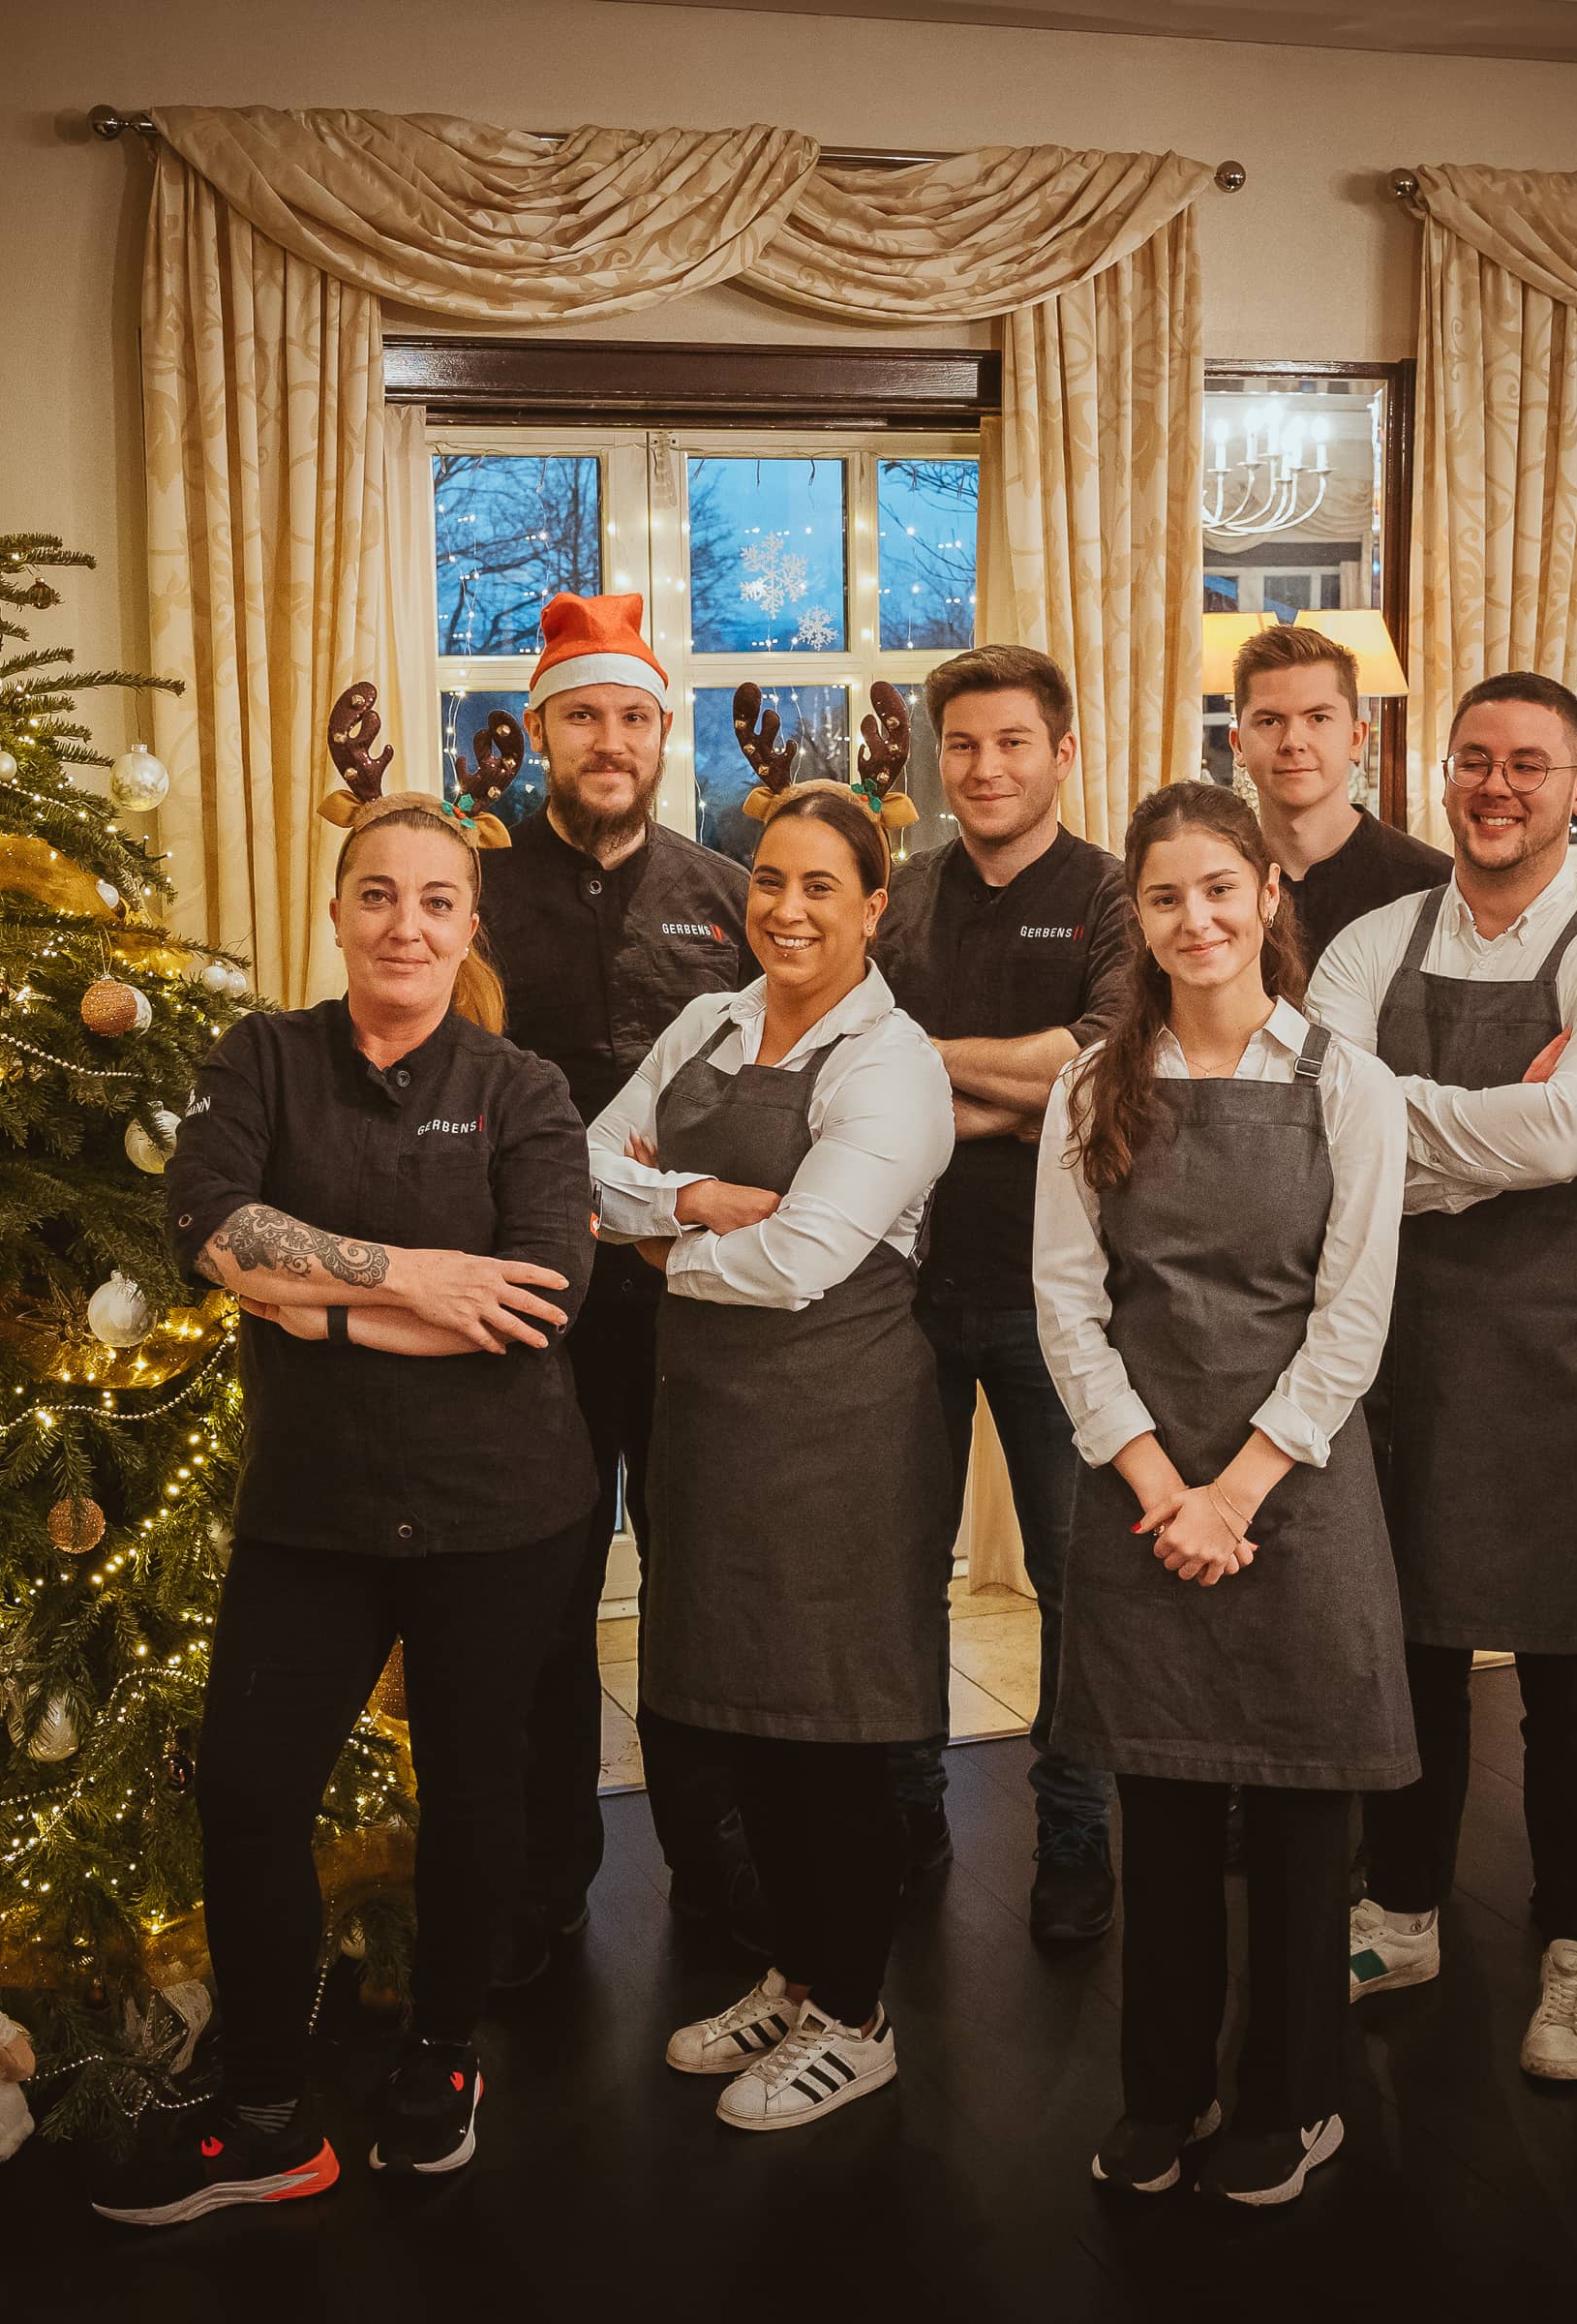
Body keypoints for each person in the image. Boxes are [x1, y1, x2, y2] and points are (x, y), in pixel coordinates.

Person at [96, 796, 595, 2217]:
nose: (405, 926)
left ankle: (444, 2056)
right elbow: (208, 1227)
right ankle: (266, 2110)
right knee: (251, 1793)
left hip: (501, 1510)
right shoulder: (261, 1056)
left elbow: (536, 1302)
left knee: (473, 1788)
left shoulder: (524, 1090)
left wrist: (310, 1305)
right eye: (377, 895)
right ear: (335, 913)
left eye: (437, 901)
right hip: (310, 1510)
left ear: (470, 927)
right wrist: (416, 1276)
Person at [1036, 780, 1414, 2206]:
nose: (1194, 920)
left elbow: (1353, 1320)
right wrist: (1157, 1481)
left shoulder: (1350, 1086)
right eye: (1163, 897)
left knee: (1309, 1818)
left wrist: (1236, 1492)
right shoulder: (1091, 1087)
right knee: (1169, 1807)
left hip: (1295, 1485)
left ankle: (1296, 2099)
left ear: (1267, 895)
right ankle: (1166, 2092)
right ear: (1136, 919)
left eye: (1217, 889)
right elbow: (1067, 1308)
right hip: (1143, 1488)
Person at [1306, 671, 1577, 2083]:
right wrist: (1492, 1133)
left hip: (1568, 1373)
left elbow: (1571, 1135)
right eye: (1474, 759)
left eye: (1529, 764)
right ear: (1441, 776)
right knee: (1411, 1663)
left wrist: (1398, 1135)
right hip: (1399, 1369)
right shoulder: (1374, 939)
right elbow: (1315, 1125)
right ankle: (1402, 1912)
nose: (1496, 786)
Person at [590, 782, 955, 2132]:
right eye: (768, 881)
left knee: (831, 1736)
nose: (786, 910)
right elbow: (584, 1167)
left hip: (838, 1434)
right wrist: (691, 1197)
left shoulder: (892, 1064)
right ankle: (798, 1975)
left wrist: (654, 1243)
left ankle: (857, 2019)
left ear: (873, 908)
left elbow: (803, 1258)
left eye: (819, 887)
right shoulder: (707, 1022)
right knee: (736, 1720)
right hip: (709, 1422)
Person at [478, 590, 765, 1966]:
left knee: (701, 1587)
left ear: (663, 736)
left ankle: (716, 1862)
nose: (611, 741)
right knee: (543, 1596)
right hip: (532, 1311)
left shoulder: (727, 898)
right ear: (540, 732)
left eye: (634, 718)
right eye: (583, 716)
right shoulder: (472, 896)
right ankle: (543, 1885)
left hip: (695, 1305)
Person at [872, 643, 1137, 1943]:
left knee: (1079, 1584)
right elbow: (846, 1071)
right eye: (964, 745)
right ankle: (907, 1817)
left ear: (1063, 753)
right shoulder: (903, 895)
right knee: (895, 1578)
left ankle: (1075, 1834)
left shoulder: (1114, 893)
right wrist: (1019, 1098)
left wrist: (921, 1071)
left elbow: (1099, 1064)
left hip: (1062, 1304)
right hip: (902, 1298)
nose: (984, 768)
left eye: (1012, 742)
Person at [1228, 620, 1449, 976]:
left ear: (1356, 738)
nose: (1293, 742)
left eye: (1317, 718)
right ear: (1237, 744)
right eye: (1270, 721)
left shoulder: (1434, 887)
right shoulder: (1212, 891)